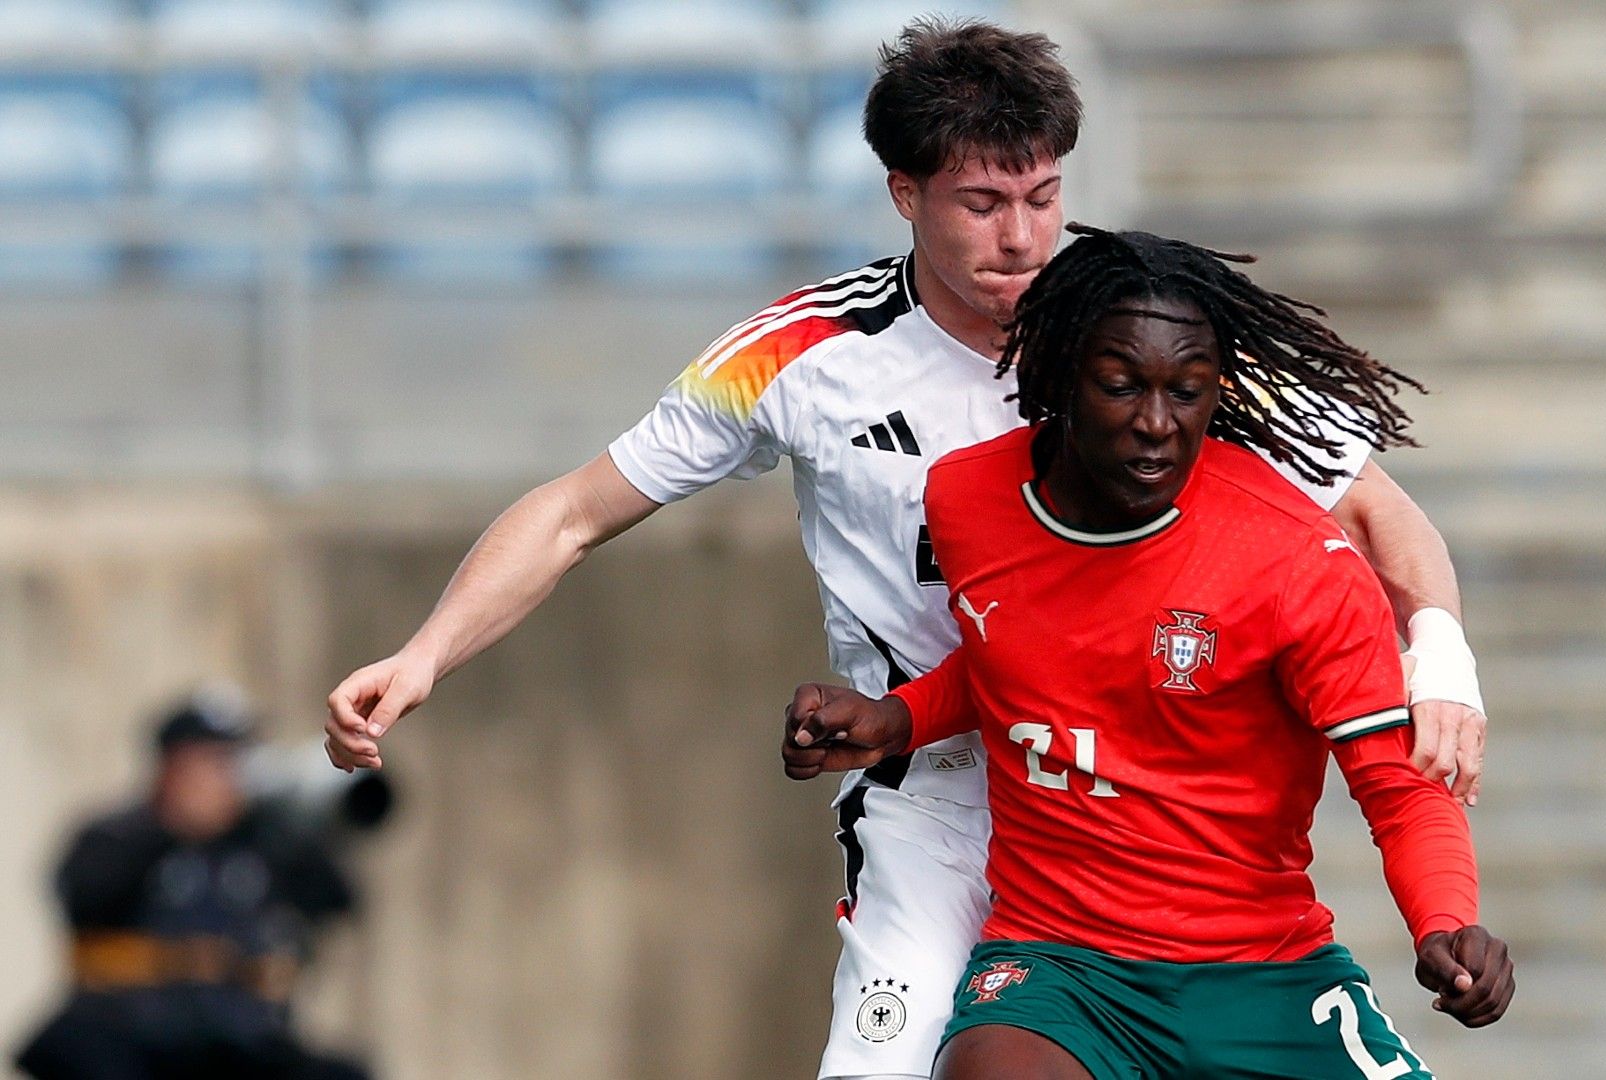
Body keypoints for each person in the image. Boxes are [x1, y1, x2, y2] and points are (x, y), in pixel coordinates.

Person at [322, 20, 1488, 1079]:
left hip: (1143, 803)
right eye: (983, 202)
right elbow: (577, 511)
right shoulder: (801, 355)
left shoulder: (1144, 327)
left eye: (1043, 194)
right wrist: (424, 656)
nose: (1023, 234)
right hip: (933, 794)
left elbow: (1381, 515)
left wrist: (1441, 661)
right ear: (904, 193)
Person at [782, 225, 1514, 1079]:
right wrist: (898, 715)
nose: (1157, 425)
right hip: (1060, 971)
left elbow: (1397, 788)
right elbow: (1016, 655)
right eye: (1122, 387)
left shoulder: (1295, 563)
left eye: (1188, 392)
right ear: (1054, 374)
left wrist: (1445, 924)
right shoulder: (969, 497)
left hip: (1262, 977)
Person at [16, 689, 370, 1080]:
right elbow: (81, 895)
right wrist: (174, 824)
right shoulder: (118, 834)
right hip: (133, 1034)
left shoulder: (263, 843)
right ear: (171, 766)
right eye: (214, 761)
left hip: (235, 1039)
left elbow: (337, 901)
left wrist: (309, 822)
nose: (230, 775)